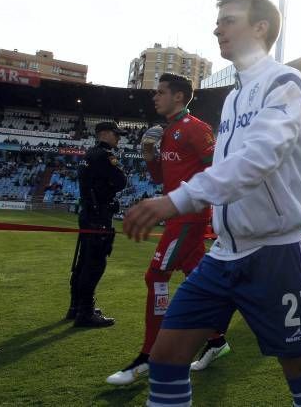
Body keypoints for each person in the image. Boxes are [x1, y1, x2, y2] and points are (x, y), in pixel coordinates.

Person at [123, 0, 301, 406]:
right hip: (222, 254)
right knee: (165, 359)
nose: (217, 28)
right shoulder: (234, 98)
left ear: (260, 28)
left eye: (229, 20)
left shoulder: (285, 82)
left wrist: (176, 200)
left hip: (276, 255)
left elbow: (259, 159)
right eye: (219, 21)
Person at [106, 73, 230, 386]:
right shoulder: (168, 130)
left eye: (160, 92)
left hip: (189, 216)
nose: (154, 97)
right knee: (198, 280)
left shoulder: (195, 128)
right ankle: (216, 341)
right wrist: (150, 155)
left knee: (156, 276)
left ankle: (149, 356)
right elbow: (163, 177)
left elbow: (218, 167)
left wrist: (197, 200)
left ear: (178, 96)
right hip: (178, 216)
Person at [67, 121, 126, 328]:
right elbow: (121, 181)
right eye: (116, 134)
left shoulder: (89, 154)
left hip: (88, 213)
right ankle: (86, 312)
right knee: (94, 265)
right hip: (99, 215)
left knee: (83, 262)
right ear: (104, 134)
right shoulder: (104, 156)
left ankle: (76, 307)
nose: (119, 137)